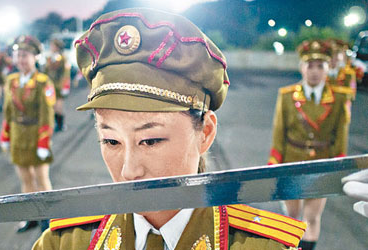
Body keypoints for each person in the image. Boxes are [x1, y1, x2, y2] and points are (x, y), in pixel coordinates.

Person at [33, 8, 307, 250]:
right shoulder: (64, 243)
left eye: (150, 140)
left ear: (206, 133)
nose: (129, 171)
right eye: (110, 141)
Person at [267, 39, 353, 250]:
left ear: (328, 68)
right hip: (291, 162)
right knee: (292, 216)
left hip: (321, 165)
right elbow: (279, 132)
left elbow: (340, 135)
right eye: (310, 65)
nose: (315, 71)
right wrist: (274, 164)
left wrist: (337, 167)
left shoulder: (339, 98)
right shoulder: (286, 95)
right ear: (301, 68)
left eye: (320, 66)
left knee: (312, 217)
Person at [0, 35, 55, 233]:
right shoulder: (11, 80)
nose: (21, 59)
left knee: (41, 178)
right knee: (25, 179)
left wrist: (43, 143)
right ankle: (31, 216)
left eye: (25, 55)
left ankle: (47, 220)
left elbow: (47, 115)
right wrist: (5, 135)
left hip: (36, 135)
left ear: (35, 58)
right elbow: (8, 111)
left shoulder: (42, 82)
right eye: (18, 55)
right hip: (17, 135)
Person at [45, 39, 71, 132]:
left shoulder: (63, 58)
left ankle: (61, 124)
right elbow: (46, 71)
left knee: (58, 105)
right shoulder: (49, 58)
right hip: (50, 84)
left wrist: (65, 85)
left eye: (53, 45)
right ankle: (57, 123)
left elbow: (66, 72)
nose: (51, 47)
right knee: (52, 105)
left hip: (59, 84)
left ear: (57, 47)